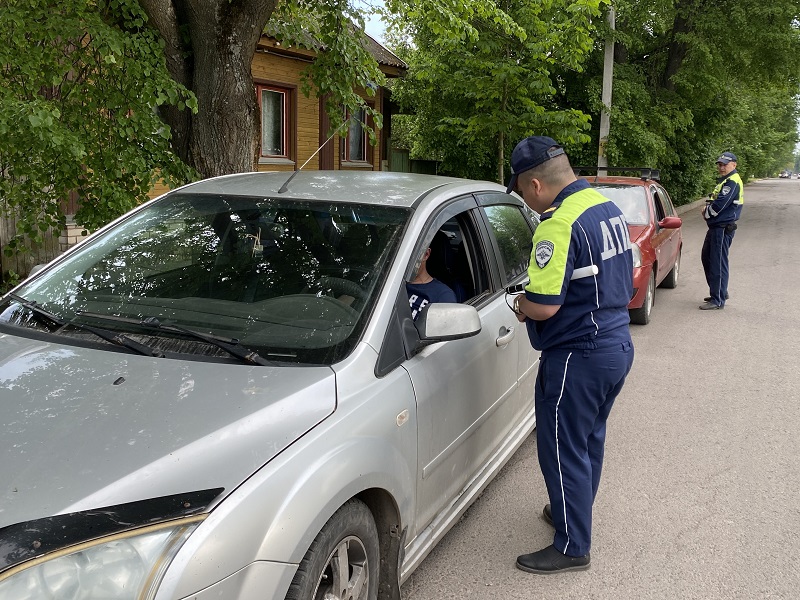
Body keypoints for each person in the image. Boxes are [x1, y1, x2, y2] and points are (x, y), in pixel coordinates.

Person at [506, 136, 635, 574]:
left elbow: (544, 304)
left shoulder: (557, 223)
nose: (525, 198)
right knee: (588, 442)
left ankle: (571, 545)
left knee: (561, 449)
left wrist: (521, 304)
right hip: (615, 344)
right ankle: (570, 512)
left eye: (522, 189)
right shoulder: (605, 206)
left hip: (578, 355)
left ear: (536, 184)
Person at [699, 151, 743, 310]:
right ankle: (719, 291)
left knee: (717, 262)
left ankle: (717, 299)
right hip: (716, 227)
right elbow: (714, 199)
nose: (721, 167)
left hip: (722, 228)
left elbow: (719, 205)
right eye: (720, 164)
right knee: (707, 258)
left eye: (724, 164)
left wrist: (706, 212)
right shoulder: (726, 181)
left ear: (734, 165)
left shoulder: (732, 182)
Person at [406, 232, 457, 320]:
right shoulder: (387, 284)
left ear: (426, 254)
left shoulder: (443, 295)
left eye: (411, 253)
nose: (405, 259)